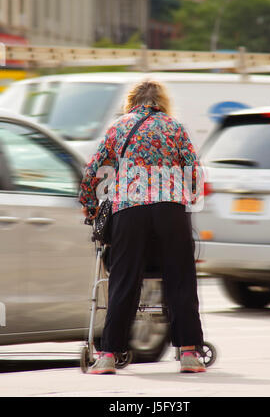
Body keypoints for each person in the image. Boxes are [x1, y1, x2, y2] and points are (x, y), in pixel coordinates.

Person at [79, 79, 206, 374]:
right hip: (170, 210)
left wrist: (89, 202)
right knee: (180, 279)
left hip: (129, 210)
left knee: (123, 280)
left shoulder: (119, 127)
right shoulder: (175, 127)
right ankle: (188, 354)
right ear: (162, 101)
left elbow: (94, 168)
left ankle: (108, 355)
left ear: (131, 101)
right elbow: (193, 170)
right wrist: (191, 192)